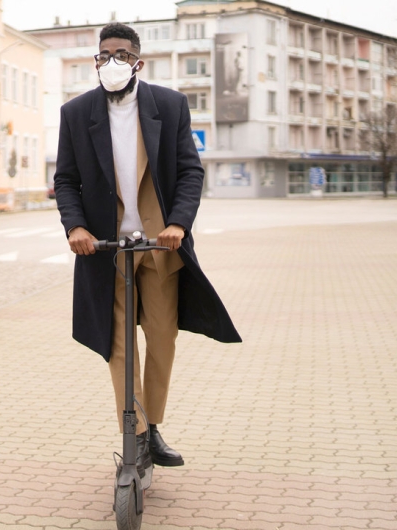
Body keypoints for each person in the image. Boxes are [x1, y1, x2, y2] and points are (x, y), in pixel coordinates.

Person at [53, 23, 241, 472]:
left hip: (160, 243)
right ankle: (134, 434)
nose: (111, 62)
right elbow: (66, 180)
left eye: (120, 53)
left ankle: (153, 426)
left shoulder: (170, 105)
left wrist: (178, 223)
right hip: (106, 249)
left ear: (139, 61)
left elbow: (190, 171)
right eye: (103, 55)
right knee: (119, 345)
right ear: (95, 61)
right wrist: (75, 227)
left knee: (161, 338)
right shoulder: (76, 113)